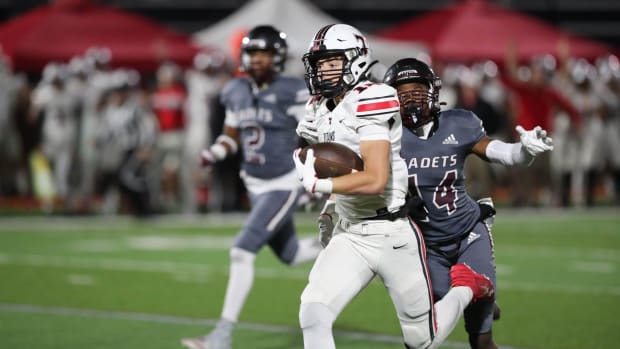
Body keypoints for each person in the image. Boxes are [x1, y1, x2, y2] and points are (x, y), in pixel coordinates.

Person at [294, 24, 495, 349]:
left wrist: (318, 182)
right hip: (351, 233)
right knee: (313, 312)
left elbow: (375, 178)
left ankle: (467, 288)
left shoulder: (374, 98)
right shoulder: (318, 107)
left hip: (391, 233)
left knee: (421, 341)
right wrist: (331, 204)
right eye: (319, 63)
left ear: (356, 60)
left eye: (332, 62)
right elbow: (338, 160)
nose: (323, 70)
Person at [382, 58, 554, 349]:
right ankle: (482, 294)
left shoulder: (458, 123)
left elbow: (498, 151)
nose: (410, 97)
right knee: (427, 324)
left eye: (417, 89)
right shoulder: (385, 137)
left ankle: (480, 295)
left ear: (433, 91)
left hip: (467, 232)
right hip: (424, 246)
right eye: (402, 91)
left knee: (482, 341)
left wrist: (524, 152)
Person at [180, 25, 322, 349]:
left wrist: (316, 179)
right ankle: (340, 242)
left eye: (264, 53)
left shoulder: (292, 90)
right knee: (292, 254)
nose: (257, 59)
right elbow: (232, 135)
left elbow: (315, 134)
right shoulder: (235, 90)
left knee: (241, 252)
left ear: (278, 57)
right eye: (253, 53)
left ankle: (222, 335)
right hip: (255, 184)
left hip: (284, 183)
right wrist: (214, 152)